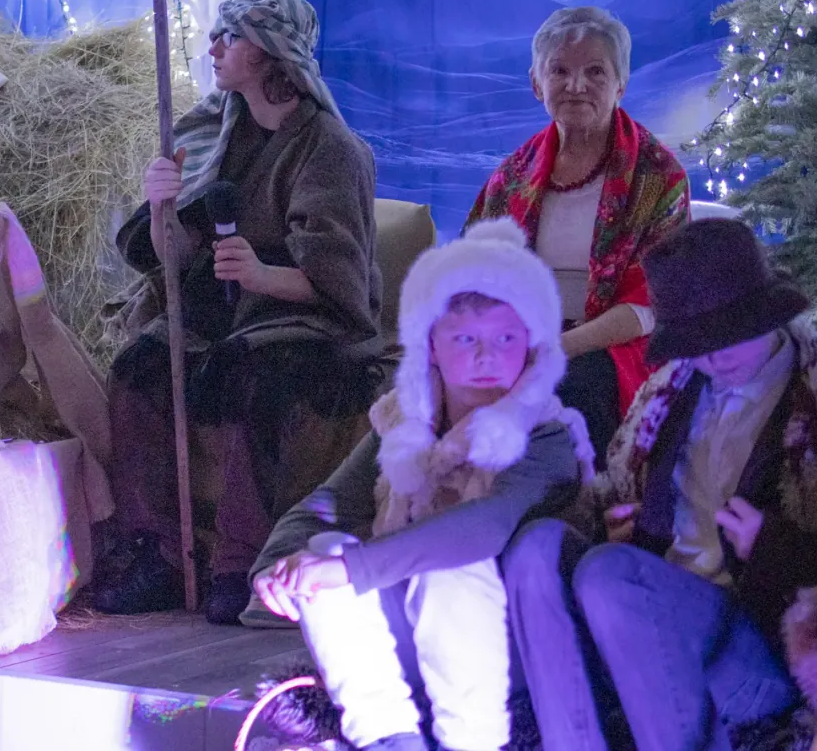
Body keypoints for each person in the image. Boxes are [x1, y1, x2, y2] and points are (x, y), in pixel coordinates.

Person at [93, 0, 383, 625]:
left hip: (304, 320)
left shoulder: (329, 149)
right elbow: (173, 259)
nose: (214, 47)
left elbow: (341, 284)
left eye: (232, 36)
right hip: (222, 312)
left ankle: (239, 562)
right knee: (139, 369)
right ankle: (163, 554)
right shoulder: (216, 132)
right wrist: (163, 204)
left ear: (272, 52)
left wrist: (260, 274)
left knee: (256, 378)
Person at [250, 219, 591, 751]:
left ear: (530, 345)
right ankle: (388, 736)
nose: (486, 357)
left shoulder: (546, 434)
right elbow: (325, 506)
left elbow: (484, 527)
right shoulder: (402, 424)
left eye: (506, 338)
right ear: (431, 344)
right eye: (465, 338)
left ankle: (471, 742)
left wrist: (352, 568)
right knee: (324, 549)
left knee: (447, 564)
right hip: (410, 639)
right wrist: (282, 566)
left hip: (507, 656)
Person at [503, 218, 817, 751]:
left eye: (729, 335)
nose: (713, 357)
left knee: (608, 574)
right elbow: (620, 493)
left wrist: (774, 548)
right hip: (651, 605)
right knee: (539, 546)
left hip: (756, 644)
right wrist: (612, 524)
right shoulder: (668, 395)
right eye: (697, 344)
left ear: (767, 313)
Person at [469, 6, 689, 465]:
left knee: (571, 384)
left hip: (619, 343)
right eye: (559, 71)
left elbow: (650, 304)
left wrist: (552, 350)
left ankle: (579, 501)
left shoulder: (659, 176)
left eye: (595, 72)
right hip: (526, 337)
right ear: (536, 84)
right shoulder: (511, 177)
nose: (576, 85)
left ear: (620, 85)